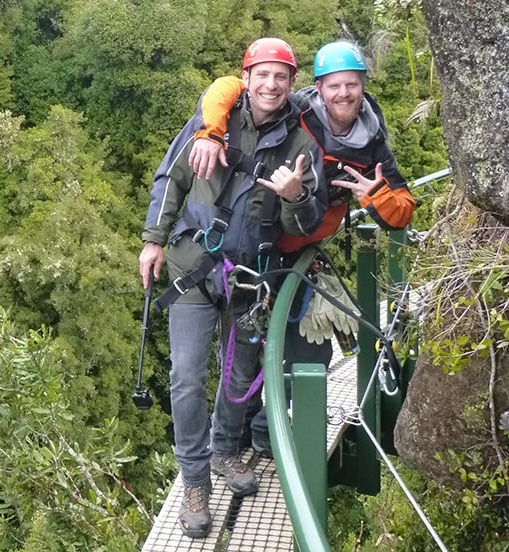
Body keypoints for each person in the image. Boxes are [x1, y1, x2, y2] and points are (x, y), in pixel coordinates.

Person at [188, 40, 416, 457]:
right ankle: (234, 441)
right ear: (318, 88)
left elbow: (403, 211)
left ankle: (263, 433)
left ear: (363, 86)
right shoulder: (297, 110)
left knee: (299, 352)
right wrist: (210, 132)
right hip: (260, 244)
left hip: (302, 249)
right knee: (248, 349)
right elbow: (225, 86)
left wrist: (375, 194)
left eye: (351, 85)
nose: (343, 94)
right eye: (334, 86)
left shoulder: (373, 143)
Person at [139, 37, 326, 538]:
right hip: (195, 266)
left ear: (291, 85)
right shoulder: (211, 125)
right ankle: (195, 479)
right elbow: (170, 178)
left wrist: (296, 195)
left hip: (252, 275)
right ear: (245, 78)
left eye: (280, 77)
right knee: (185, 376)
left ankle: (225, 450)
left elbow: (307, 223)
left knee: (241, 374)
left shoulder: (302, 144)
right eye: (262, 75)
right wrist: (153, 241)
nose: (270, 84)